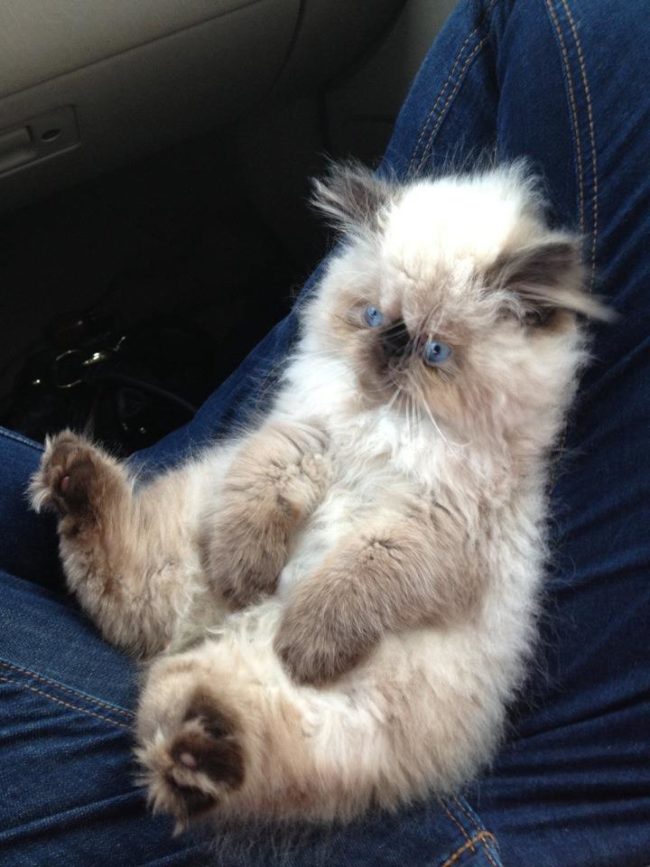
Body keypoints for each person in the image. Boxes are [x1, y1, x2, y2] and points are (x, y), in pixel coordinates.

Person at [1, 0, 648, 863]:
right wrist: (266, 490)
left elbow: (422, 562)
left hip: (375, 681)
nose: (388, 357)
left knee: (251, 693)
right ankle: (112, 544)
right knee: (203, 502)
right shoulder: (354, 349)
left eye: (431, 349)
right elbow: (259, 494)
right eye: (375, 319)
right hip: (256, 583)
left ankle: (218, 743)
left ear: (524, 335)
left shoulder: (483, 464)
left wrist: (324, 591)